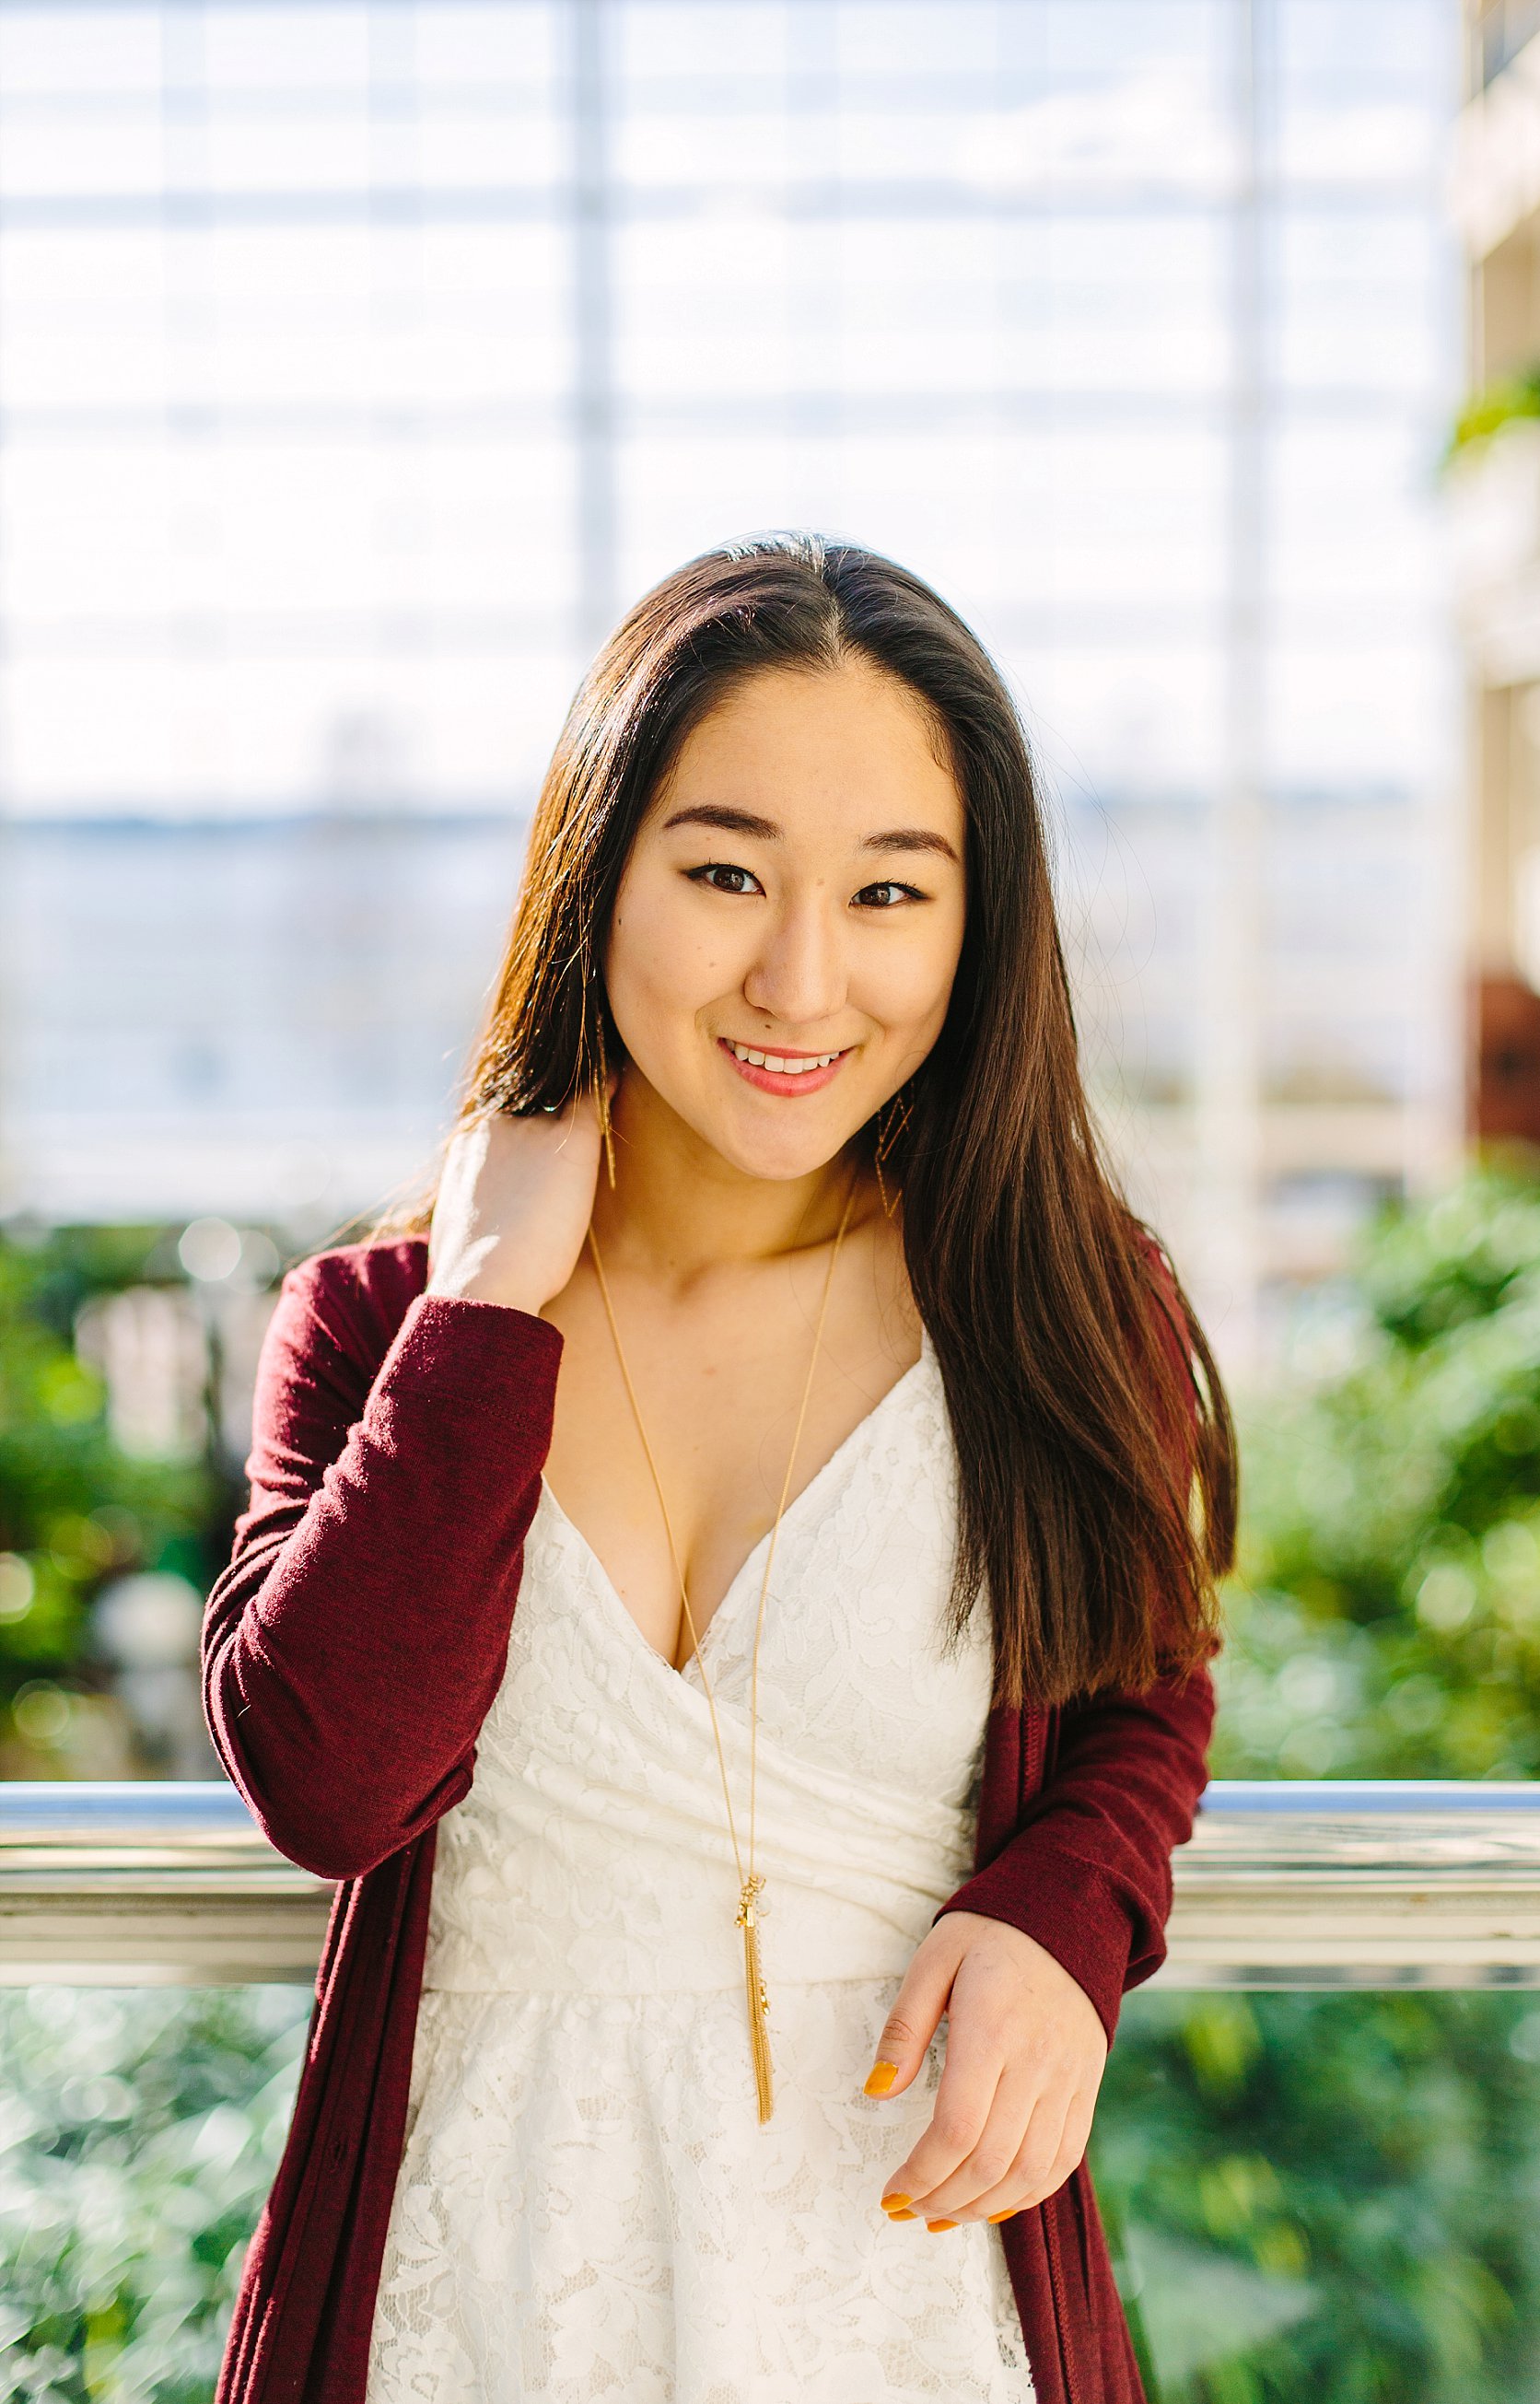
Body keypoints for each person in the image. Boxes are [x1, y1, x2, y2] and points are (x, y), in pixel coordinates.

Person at [201, 533, 1236, 2402]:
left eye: (891, 892)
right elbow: (331, 1785)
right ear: (601, 877)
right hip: (475, 2297)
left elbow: (1144, 1698)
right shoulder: (378, 1327)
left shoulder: (1059, 1302)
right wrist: (492, 1303)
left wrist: (1064, 1920)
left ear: (977, 925)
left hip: (904, 2285)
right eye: (726, 872)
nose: (801, 975)